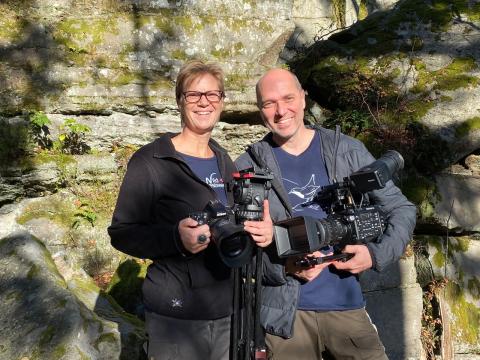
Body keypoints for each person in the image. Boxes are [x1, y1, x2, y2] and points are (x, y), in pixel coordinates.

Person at [235, 68, 417, 360]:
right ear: (260, 110)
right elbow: (237, 256)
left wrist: (375, 254)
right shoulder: (248, 168)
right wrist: (283, 266)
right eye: (269, 103)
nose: (281, 111)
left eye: (288, 98)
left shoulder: (345, 151)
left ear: (303, 99)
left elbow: (402, 209)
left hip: (346, 306)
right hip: (286, 317)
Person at [108, 60, 273, 360]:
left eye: (212, 95)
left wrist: (259, 230)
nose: (204, 102)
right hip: (177, 316)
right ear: (180, 102)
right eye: (193, 95)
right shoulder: (151, 161)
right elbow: (121, 233)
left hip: (228, 311)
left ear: (222, 102)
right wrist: (175, 238)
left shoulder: (225, 161)